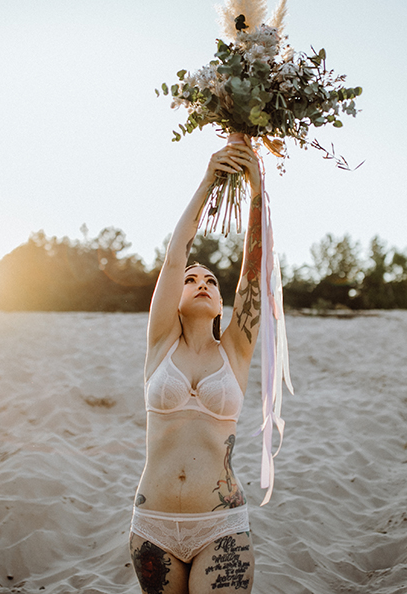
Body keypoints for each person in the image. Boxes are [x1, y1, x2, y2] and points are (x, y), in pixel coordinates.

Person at [129, 135, 263, 593]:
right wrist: (209, 180)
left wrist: (257, 189)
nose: (201, 281)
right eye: (191, 280)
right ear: (176, 298)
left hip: (221, 528)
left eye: (210, 280)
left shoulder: (235, 352)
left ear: (223, 303)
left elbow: (253, 272)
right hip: (152, 526)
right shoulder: (160, 344)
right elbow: (176, 251)